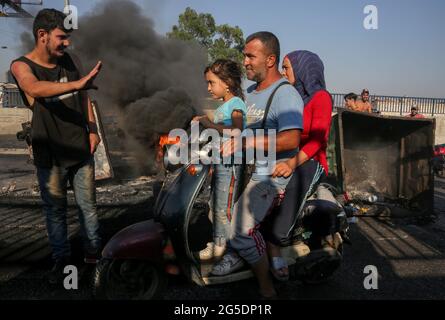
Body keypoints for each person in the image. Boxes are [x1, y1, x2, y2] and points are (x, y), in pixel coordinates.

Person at [10, 9, 103, 284]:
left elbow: (84, 96)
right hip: (50, 155)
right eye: (62, 37)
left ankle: (95, 260)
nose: (67, 43)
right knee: (56, 212)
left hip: (80, 150)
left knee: (89, 209)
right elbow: (34, 88)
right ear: (42, 35)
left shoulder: (69, 61)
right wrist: (78, 82)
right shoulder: (20, 65)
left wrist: (93, 130)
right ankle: (62, 264)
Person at [214, 32, 304, 299]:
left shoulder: (285, 95)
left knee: (239, 231)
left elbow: (291, 139)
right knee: (214, 213)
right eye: (244, 56)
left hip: (269, 177)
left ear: (270, 59)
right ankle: (239, 255)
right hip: (244, 169)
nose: (245, 62)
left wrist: (247, 142)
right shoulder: (250, 92)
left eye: (251, 56)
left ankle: (267, 290)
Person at [263, 50, 333, 280]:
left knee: (292, 186)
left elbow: (317, 141)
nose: (283, 72)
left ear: (303, 69)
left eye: (287, 67)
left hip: (310, 161)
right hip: (290, 156)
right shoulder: (293, 97)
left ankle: (276, 242)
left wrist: (292, 164)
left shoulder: (321, 97)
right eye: (282, 67)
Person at [193, 59, 247, 260]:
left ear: (227, 83)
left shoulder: (236, 104)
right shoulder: (224, 106)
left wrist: (208, 124)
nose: (208, 88)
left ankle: (227, 250)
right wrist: (201, 121)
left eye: (212, 83)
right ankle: (218, 242)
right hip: (221, 162)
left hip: (231, 163)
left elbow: (236, 130)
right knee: (214, 205)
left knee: (224, 209)